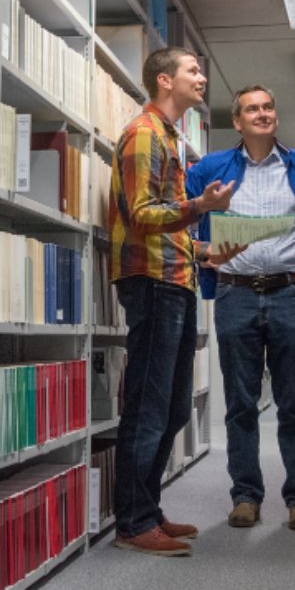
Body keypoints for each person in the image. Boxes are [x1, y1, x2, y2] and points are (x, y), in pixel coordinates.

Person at [110, 47, 237, 557]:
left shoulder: (170, 137)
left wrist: (210, 250)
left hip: (177, 278)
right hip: (153, 282)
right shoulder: (144, 133)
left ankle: (147, 508)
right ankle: (133, 522)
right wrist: (200, 206)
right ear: (165, 80)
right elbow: (143, 213)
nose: (202, 76)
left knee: (174, 408)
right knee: (148, 407)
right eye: (193, 70)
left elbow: (169, 224)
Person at [185, 85, 295, 532]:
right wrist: (203, 253)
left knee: (293, 402)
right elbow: (177, 219)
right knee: (241, 403)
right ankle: (246, 496)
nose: (262, 114)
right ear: (237, 122)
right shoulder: (210, 169)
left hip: (289, 293)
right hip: (234, 294)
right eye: (251, 109)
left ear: (275, 116)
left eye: (268, 106)